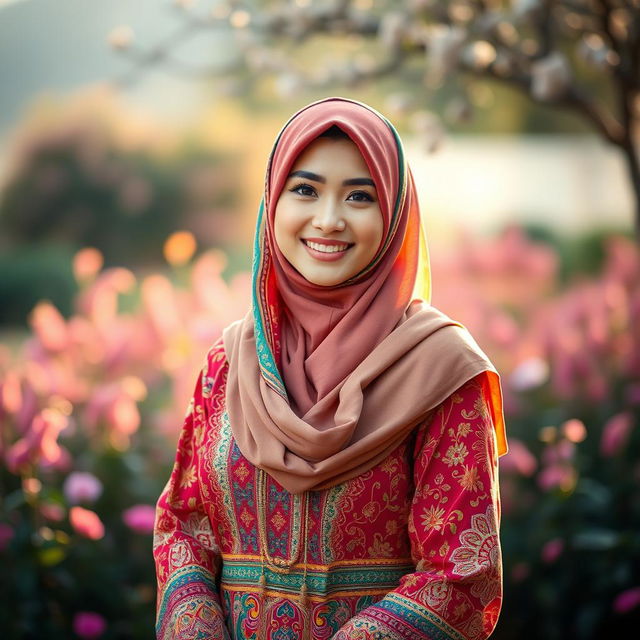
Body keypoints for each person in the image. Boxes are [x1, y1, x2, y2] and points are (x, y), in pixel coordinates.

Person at [153, 97, 508, 640]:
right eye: (305, 189)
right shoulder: (230, 363)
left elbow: (460, 574)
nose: (328, 219)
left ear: (393, 214)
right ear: (272, 201)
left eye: (360, 196)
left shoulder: (443, 371)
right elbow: (185, 525)